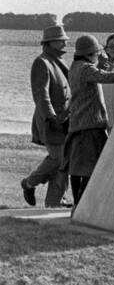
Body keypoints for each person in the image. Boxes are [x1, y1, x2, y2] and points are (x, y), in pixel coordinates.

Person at [65, 35, 114, 206]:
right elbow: (106, 77)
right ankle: (82, 204)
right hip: (91, 124)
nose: (99, 55)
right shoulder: (86, 68)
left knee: (77, 167)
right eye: (97, 52)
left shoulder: (75, 67)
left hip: (78, 123)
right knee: (89, 167)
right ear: (90, 53)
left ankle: (78, 203)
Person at [21, 23, 72, 208]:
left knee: (62, 162)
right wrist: (50, 117)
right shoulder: (41, 62)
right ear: (50, 42)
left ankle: (54, 201)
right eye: (61, 41)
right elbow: (41, 94)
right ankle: (29, 183)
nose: (65, 44)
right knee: (57, 159)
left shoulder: (58, 61)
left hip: (64, 120)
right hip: (50, 122)